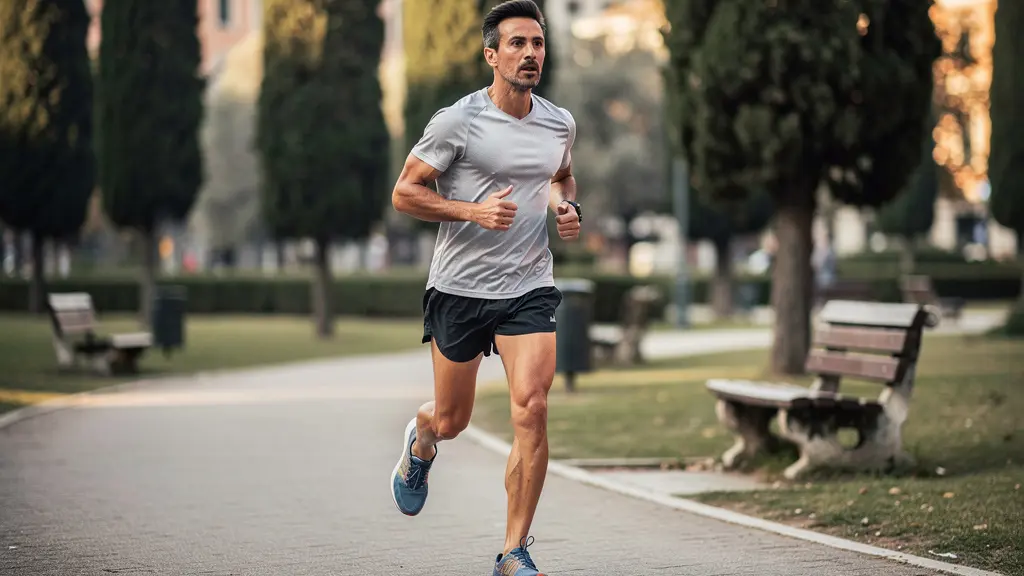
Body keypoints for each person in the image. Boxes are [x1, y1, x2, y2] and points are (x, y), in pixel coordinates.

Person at [388, 1, 580, 574]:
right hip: (461, 288)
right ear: (492, 55)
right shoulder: (457, 122)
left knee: (533, 405)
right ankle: (421, 441)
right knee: (453, 420)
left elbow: (560, 174)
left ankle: (512, 550)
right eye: (517, 44)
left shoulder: (558, 122)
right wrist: (471, 211)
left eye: (537, 44)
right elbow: (404, 192)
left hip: (529, 284)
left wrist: (566, 205)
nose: (530, 54)